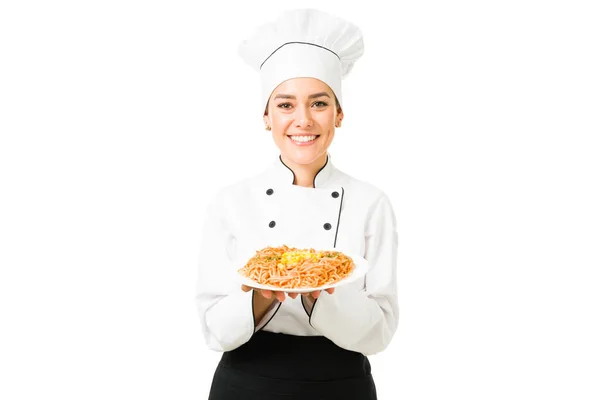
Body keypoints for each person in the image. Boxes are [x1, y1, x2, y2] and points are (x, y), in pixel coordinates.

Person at [195, 8, 399, 399]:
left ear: (338, 114)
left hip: (342, 383)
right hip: (246, 381)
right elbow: (213, 329)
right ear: (267, 117)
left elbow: (380, 331)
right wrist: (260, 294)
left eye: (319, 103)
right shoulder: (231, 202)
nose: (302, 119)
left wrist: (315, 292)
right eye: (286, 105)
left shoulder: (372, 203)